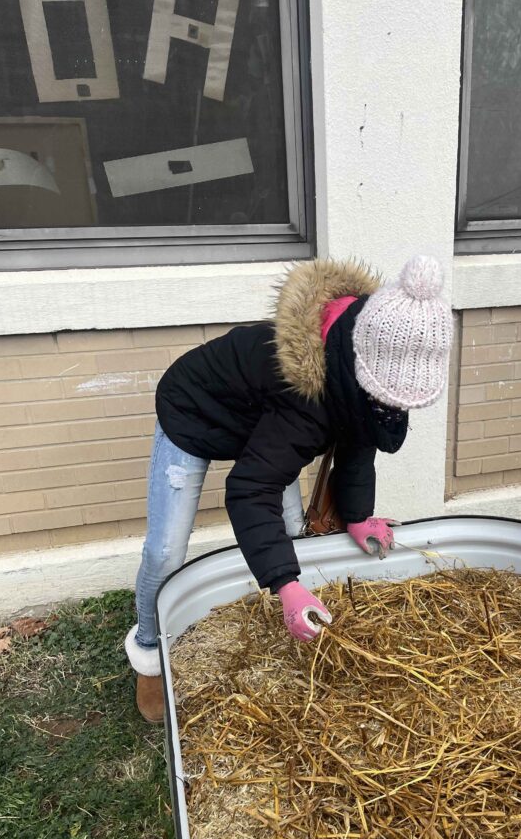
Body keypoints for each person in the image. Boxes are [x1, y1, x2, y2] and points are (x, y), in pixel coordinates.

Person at [124, 255, 453, 722]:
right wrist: (285, 584)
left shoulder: (355, 367)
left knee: (292, 528)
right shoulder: (306, 398)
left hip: (260, 416)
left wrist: (358, 516)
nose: (392, 407)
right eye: (386, 396)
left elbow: (358, 441)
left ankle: (290, 613)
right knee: (165, 549)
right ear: (365, 363)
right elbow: (249, 489)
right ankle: (149, 653)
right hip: (194, 411)